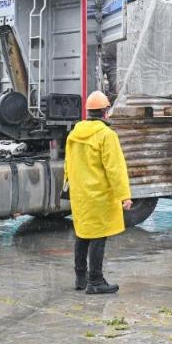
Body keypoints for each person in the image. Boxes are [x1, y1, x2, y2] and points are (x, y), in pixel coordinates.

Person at [65, 90, 132, 294]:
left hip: (80, 195)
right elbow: (115, 168)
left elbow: (68, 164)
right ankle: (95, 281)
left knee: (82, 234)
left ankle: (80, 277)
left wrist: (67, 187)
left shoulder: (74, 134)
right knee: (98, 236)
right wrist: (124, 195)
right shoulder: (106, 135)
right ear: (105, 112)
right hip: (99, 194)